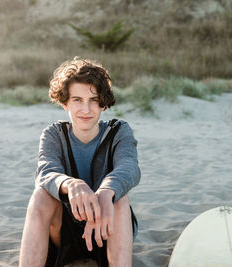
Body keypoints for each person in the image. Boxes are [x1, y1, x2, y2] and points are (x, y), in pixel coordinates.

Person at [19, 57, 141, 267]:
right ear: (65, 102)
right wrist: (71, 184)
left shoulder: (118, 131)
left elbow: (129, 167)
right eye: (77, 100)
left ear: (103, 103)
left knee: (120, 198)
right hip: (64, 235)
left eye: (93, 100)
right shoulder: (53, 134)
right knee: (41, 195)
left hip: (108, 233)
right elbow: (46, 171)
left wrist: (106, 191)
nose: (86, 109)